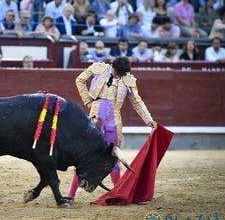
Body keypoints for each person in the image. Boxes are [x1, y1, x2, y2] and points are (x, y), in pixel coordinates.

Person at [66, 56, 157, 202]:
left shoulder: (127, 79)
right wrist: (88, 100)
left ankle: (117, 194)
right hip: (96, 114)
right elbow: (79, 80)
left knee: (113, 156)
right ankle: (70, 195)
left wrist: (149, 119)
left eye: (120, 75)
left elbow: (137, 102)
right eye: (116, 73)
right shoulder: (99, 68)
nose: (117, 76)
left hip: (114, 118)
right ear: (112, 66)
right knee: (85, 155)